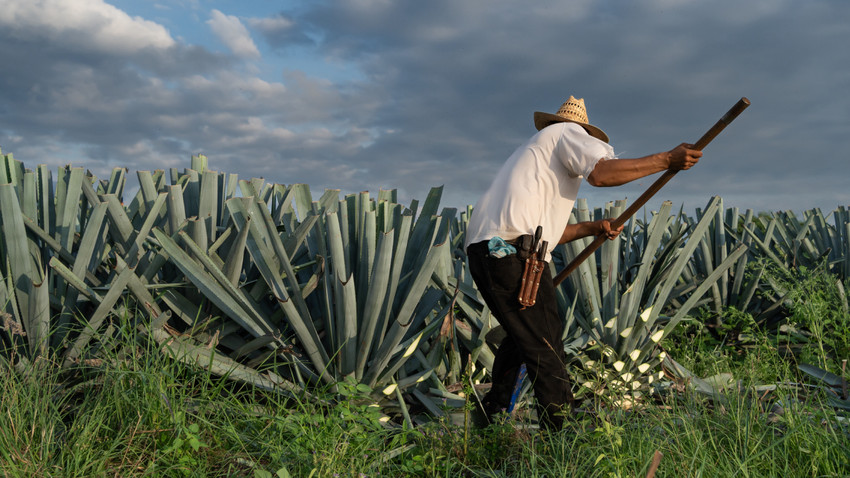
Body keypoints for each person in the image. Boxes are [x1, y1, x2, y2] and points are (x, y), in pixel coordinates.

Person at [464, 96, 702, 430]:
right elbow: (602, 174)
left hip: (489, 252)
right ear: (581, 133)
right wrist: (667, 159)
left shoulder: (534, 157)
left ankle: (491, 421)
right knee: (546, 346)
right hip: (515, 254)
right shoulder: (567, 133)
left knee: (523, 339)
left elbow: (543, 233)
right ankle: (562, 437)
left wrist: (593, 228)